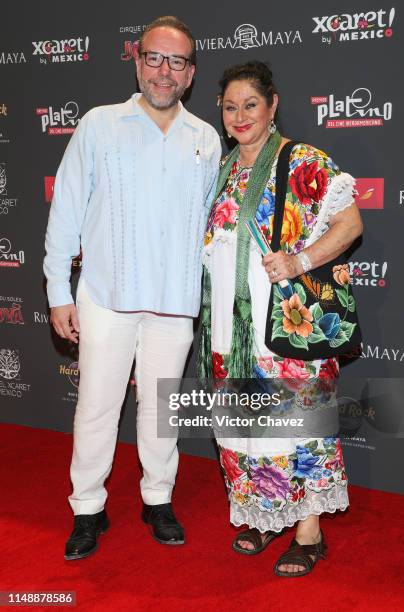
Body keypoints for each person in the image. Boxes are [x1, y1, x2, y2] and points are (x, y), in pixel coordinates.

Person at [44, 15, 221, 560]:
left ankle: (157, 497)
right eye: (155, 58)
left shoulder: (207, 139)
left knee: (161, 409)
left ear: (190, 73)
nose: (164, 72)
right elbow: (66, 209)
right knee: (96, 406)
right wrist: (58, 291)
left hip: (174, 302)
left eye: (177, 62)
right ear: (136, 59)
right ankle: (87, 507)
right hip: (105, 296)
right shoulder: (99, 124)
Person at [199, 61, 363, 577]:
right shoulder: (222, 170)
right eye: (230, 106)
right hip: (230, 327)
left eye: (251, 104)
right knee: (247, 429)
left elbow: (349, 223)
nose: (240, 115)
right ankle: (266, 513)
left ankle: (309, 533)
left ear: (273, 106)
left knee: (300, 428)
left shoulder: (302, 160)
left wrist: (299, 261)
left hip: (284, 324)